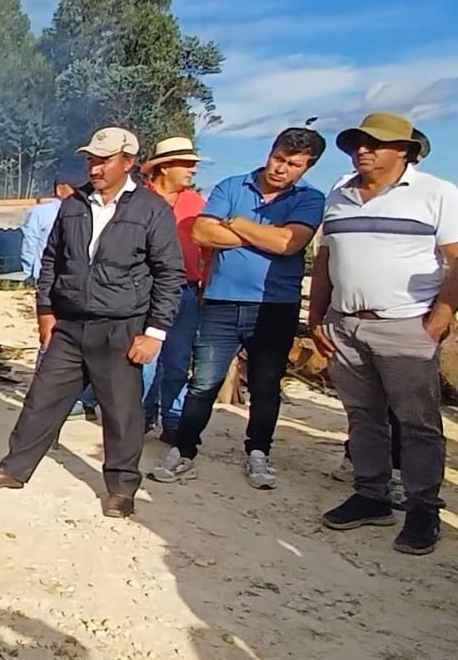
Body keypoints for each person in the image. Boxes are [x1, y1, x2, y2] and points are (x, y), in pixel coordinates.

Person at [0, 127, 183, 517]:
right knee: (41, 401)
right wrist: (45, 311)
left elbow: (169, 274)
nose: (94, 168)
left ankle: (121, 488)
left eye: (104, 160)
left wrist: (155, 332)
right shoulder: (74, 204)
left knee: (121, 412)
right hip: (69, 324)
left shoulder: (151, 209)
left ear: (127, 162)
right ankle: (13, 470)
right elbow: (52, 261)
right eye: (91, 160)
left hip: (120, 326)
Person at [312, 113, 456, 555]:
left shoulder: (436, 194)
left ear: (405, 151)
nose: (363, 150)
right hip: (347, 324)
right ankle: (371, 495)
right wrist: (319, 316)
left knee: (417, 422)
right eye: (357, 143)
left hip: (406, 324)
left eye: (375, 144)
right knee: (363, 415)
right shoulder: (338, 193)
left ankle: (423, 509)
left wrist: (438, 319)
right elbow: (324, 260)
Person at [149, 128, 326, 489]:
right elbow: (201, 233)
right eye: (278, 158)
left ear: (307, 167)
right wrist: (268, 235)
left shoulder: (310, 198)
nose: (281, 169)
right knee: (203, 382)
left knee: (265, 384)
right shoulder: (233, 186)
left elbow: (289, 243)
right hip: (221, 301)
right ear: (271, 151)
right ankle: (184, 450)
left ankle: (258, 452)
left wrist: (239, 224)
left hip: (275, 305)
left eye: (293, 165)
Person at [139, 136, 209, 440]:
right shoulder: (137, 200)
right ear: (164, 167)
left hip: (186, 290)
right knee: (143, 360)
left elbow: (208, 249)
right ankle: (139, 416)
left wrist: (206, 285)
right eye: (187, 163)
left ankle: (173, 419)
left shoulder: (197, 203)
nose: (193, 169)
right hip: (146, 291)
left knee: (178, 360)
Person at [19, 167, 96, 420]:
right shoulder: (50, 211)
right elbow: (32, 244)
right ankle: (62, 400)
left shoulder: (78, 210)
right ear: (61, 188)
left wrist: (32, 273)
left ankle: (61, 400)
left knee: (60, 340)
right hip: (63, 284)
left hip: (63, 284)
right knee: (60, 339)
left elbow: (30, 244)